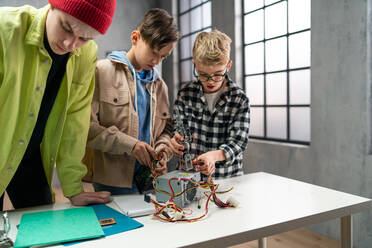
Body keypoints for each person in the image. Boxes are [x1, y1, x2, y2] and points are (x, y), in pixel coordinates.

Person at [0, 0, 116, 211]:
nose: (69, 44)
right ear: (53, 5)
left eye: (84, 38)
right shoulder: (4, 28)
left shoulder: (86, 54)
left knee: (42, 229)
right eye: (66, 27)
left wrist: (74, 188)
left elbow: (75, 122)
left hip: (32, 156)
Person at [83, 8, 179, 194]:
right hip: (112, 181)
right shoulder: (100, 72)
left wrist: (162, 151)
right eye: (154, 52)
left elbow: (165, 130)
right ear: (135, 38)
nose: (157, 61)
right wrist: (131, 145)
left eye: (164, 57)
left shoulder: (160, 85)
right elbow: (86, 127)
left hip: (151, 180)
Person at [169, 29, 250, 178]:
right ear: (195, 65)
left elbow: (238, 143)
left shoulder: (239, 99)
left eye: (218, 74)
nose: (210, 81)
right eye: (203, 74)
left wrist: (214, 156)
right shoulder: (185, 95)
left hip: (226, 180)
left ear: (228, 66)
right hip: (189, 179)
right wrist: (174, 142)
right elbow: (177, 130)